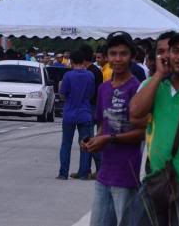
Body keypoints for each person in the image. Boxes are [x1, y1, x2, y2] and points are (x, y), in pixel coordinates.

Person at [122, 33, 179, 225]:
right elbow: (135, 111)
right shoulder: (155, 84)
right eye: (176, 51)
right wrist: (158, 74)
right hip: (157, 177)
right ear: (168, 55)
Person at [83, 32, 144, 226]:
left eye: (123, 53)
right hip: (104, 173)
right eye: (113, 53)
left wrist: (109, 139)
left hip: (127, 173)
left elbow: (143, 131)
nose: (118, 59)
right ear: (107, 56)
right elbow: (102, 125)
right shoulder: (103, 88)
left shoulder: (137, 88)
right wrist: (93, 142)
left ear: (132, 56)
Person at [57, 50, 95, 180]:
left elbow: (62, 93)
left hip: (69, 113)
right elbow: (91, 93)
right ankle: (84, 173)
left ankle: (63, 173)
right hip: (85, 113)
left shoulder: (68, 76)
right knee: (85, 143)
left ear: (71, 62)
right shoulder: (90, 75)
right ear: (84, 61)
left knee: (66, 144)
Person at [80, 44, 103, 179]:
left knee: (90, 140)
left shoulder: (91, 72)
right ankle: (86, 169)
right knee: (88, 139)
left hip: (91, 107)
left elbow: (92, 92)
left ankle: (98, 168)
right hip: (93, 107)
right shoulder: (95, 70)